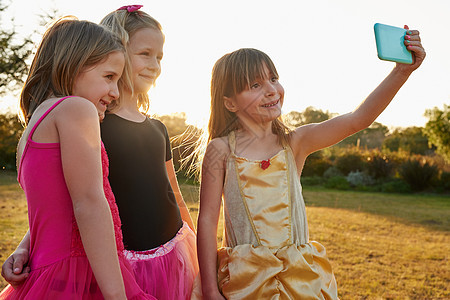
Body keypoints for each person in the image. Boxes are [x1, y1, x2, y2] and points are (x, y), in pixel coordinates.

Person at [192, 27, 425, 299]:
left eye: (273, 78)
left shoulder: (295, 143)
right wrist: (210, 287)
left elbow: (358, 119)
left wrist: (401, 72)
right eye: (255, 85)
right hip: (246, 281)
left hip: (300, 279)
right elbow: (207, 221)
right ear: (230, 103)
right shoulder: (220, 150)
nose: (271, 90)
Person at [0, 17, 155, 299]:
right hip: (79, 273)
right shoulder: (76, 108)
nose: (115, 92)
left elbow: (55, 207)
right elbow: (88, 203)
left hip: (48, 272)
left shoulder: (35, 125)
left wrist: (24, 246)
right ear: (73, 65)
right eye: (109, 77)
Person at [99, 5, 198, 299]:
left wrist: (198, 252)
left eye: (160, 57)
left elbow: (175, 194)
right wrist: (27, 245)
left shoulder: (158, 128)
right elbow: (70, 198)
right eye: (145, 54)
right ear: (113, 51)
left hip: (173, 253)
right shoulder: (94, 124)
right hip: (122, 265)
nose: (155, 64)